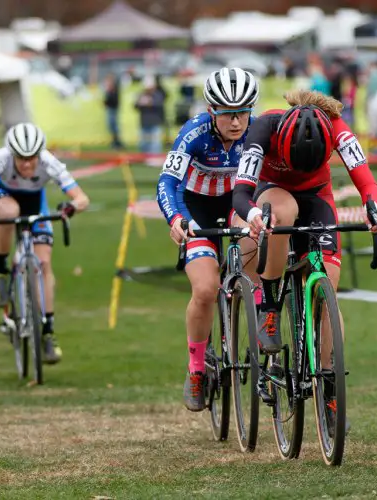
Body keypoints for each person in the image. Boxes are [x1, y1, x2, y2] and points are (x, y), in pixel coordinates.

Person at [232, 90, 377, 422]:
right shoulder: (264, 127)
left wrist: (373, 207)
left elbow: (367, 182)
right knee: (280, 212)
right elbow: (241, 192)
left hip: (318, 196)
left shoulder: (338, 128)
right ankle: (270, 305)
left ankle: (330, 385)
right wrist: (254, 216)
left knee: (327, 285)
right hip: (273, 192)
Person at [156, 67, 260, 412]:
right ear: (212, 111)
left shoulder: (257, 134)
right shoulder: (193, 133)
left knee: (259, 251)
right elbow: (166, 183)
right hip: (196, 210)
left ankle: (265, 340)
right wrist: (176, 219)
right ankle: (197, 369)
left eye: (242, 113)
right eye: (228, 114)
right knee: (204, 290)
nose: (236, 122)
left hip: (237, 205)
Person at [0, 123, 90, 364]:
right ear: (11, 154)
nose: (26, 164)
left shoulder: (49, 162)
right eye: (21, 159)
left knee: (43, 262)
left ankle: (47, 331)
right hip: (2, 196)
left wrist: (71, 206)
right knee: (9, 211)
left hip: (35, 203)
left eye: (31, 158)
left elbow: (82, 198)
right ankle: (1, 272)